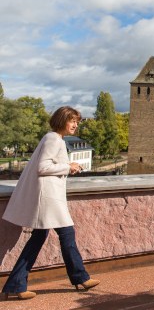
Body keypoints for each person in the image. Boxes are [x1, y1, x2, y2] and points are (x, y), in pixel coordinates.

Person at [2, 106, 100, 301]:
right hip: (49, 199)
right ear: (62, 120)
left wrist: (68, 167)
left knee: (38, 238)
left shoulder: (54, 138)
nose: (75, 125)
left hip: (49, 198)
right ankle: (80, 277)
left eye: (77, 121)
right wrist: (68, 167)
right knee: (67, 234)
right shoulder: (53, 139)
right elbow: (43, 167)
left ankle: (16, 284)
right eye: (72, 120)